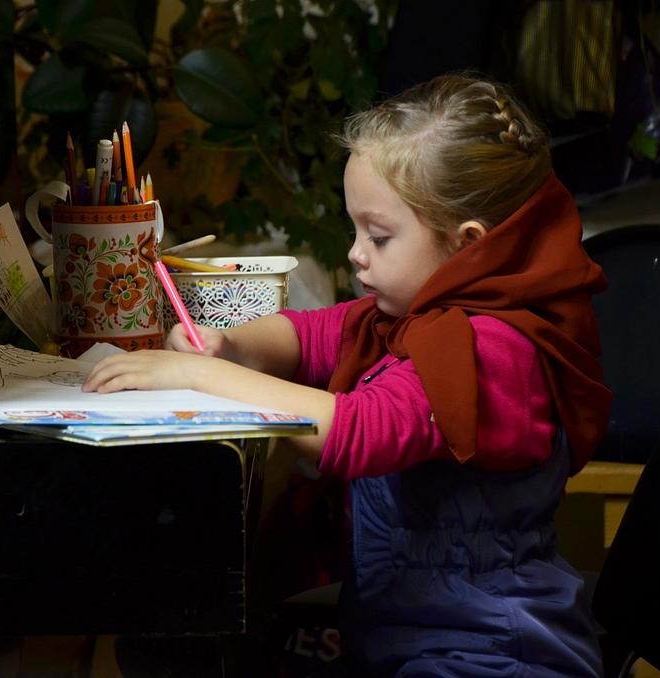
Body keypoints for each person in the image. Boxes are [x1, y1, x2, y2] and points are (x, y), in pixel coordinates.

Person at [83, 73, 612, 677]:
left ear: (467, 246)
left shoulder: (493, 351)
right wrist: (230, 344)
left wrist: (197, 377)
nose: (357, 252)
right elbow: (312, 336)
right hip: (407, 640)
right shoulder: (411, 317)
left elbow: (359, 431)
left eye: (379, 237)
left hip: (491, 653)